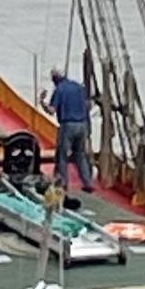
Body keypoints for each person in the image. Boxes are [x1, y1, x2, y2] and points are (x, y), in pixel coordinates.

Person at [46, 64, 93, 205]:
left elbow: (52, 110)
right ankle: (88, 182)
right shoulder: (78, 87)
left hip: (68, 125)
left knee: (62, 156)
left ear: (55, 78)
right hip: (82, 125)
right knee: (80, 154)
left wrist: (42, 103)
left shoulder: (59, 90)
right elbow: (88, 105)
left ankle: (63, 183)